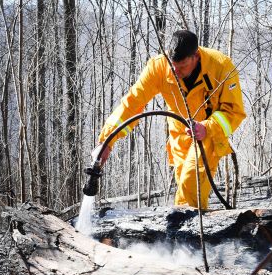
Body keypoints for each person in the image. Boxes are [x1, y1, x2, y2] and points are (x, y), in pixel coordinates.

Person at [95, 29, 246, 209]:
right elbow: (132, 103)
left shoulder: (221, 66)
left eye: (181, 66)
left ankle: (189, 234)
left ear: (195, 56)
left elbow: (234, 111)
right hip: (179, 139)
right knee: (185, 192)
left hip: (208, 136)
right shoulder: (158, 67)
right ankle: (190, 233)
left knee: (191, 181)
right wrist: (106, 141)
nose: (175, 71)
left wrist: (207, 127)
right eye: (172, 65)